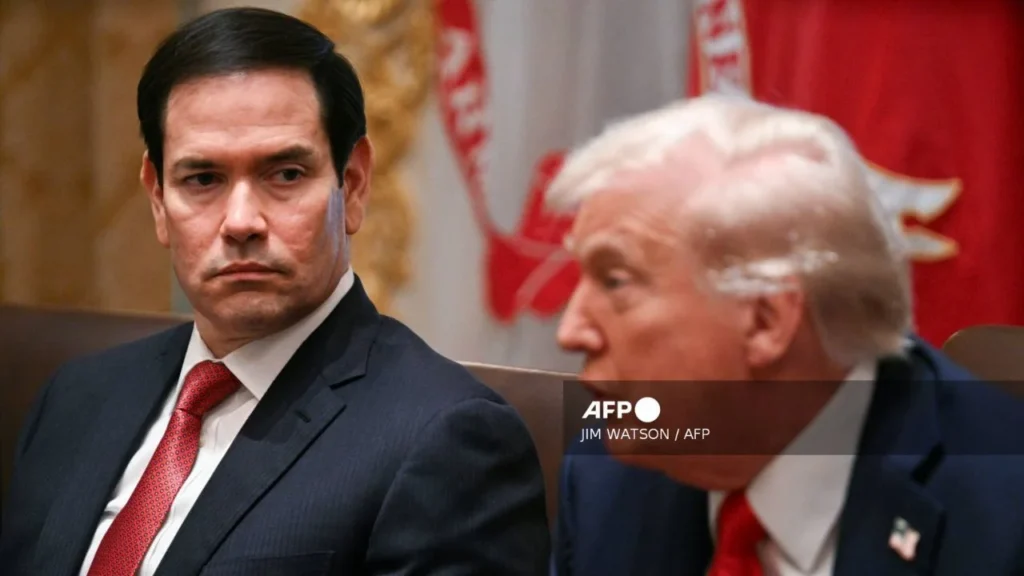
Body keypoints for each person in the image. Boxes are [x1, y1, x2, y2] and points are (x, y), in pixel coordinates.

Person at [0, 8, 549, 575]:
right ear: (158, 200)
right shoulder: (75, 398)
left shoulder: (447, 438)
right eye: (202, 179)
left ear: (353, 185)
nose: (241, 221)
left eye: (285, 174)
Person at [547, 95, 1024, 575]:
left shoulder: (1003, 517)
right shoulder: (606, 475)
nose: (570, 332)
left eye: (615, 282)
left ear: (765, 321)